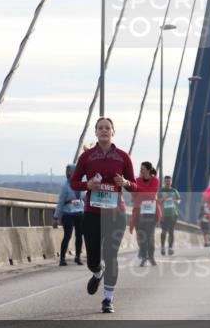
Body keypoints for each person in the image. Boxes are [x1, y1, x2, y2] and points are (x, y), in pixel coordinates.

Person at [69, 117, 136, 314]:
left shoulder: (123, 157)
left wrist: (125, 183)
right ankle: (98, 273)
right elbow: (74, 182)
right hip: (92, 212)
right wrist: (86, 185)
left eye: (108, 128)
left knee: (111, 255)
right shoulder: (87, 157)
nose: (104, 131)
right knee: (92, 259)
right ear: (96, 132)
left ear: (113, 132)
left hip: (116, 213)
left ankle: (108, 299)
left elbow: (135, 185)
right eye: (100, 128)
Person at [53, 164, 85, 266]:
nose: (69, 173)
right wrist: (56, 217)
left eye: (71, 171)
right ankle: (62, 258)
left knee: (79, 235)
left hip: (79, 212)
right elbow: (61, 202)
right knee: (68, 235)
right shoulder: (65, 186)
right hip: (68, 214)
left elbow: (85, 197)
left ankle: (78, 257)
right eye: (69, 172)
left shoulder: (80, 184)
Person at [130, 161, 160, 267]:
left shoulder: (155, 180)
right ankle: (144, 257)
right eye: (140, 169)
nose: (140, 171)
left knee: (150, 236)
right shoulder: (137, 180)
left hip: (151, 213)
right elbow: (133, 195)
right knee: (141, 236)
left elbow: (151, 194)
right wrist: (138, 193)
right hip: (139, 212)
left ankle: (151, 256)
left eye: (142, 169)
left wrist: (139, 192)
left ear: (148, 170)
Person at [158, 175, 181, 256]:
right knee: (163, 231)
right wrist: (162, 199)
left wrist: (175, 200)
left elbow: (179, 200)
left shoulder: (174, 191)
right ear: (164, 182)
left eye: (169, 181)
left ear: (171, 182)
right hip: (163, 214)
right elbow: (156, 201)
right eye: (166, 181)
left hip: (173, 214)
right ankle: (162, 247)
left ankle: (170, 248)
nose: (168, 182)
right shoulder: (160, 191)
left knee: (171, 231)